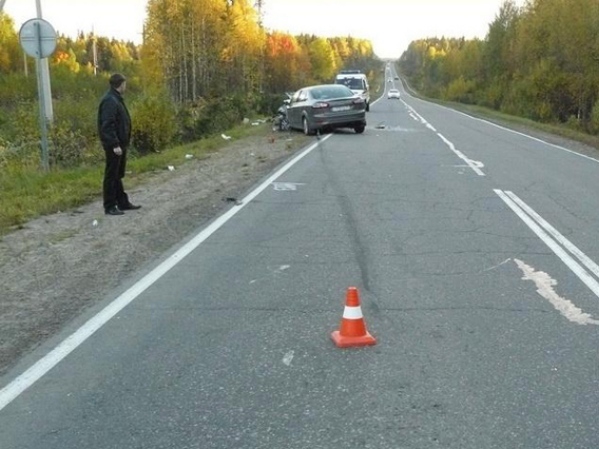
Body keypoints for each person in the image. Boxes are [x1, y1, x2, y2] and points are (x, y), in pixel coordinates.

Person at [97, 73, 141, 215]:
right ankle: (109, 205)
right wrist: (114, 144)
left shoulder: (115, 99)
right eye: (125, 84)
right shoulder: (110, 101)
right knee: (111, 175)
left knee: (117, 174)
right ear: (121, 84)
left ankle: (122, 202)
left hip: (120, 143)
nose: (125, 86)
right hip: (114, 145)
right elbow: (107, 125)